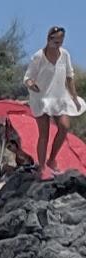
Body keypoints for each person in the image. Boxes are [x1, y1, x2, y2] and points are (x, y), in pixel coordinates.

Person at [25, 26, 86, 180]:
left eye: (61, 40)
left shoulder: (65, 55)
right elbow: (27, 77)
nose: (58, 43)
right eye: (56, 40)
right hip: (41, 97)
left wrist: (74, 96)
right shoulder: (39, 56)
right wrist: (31, 84)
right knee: (44, 134)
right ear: (49, 39)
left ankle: (52, 159)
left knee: (64, 126)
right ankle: (42, 167)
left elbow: (69, 77)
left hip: (59, 97)